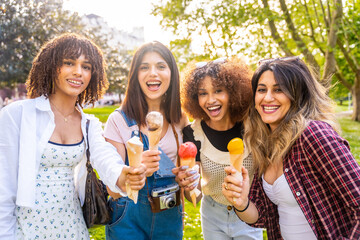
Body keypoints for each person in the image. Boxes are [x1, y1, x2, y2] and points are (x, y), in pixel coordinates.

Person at [0, 33, 146, 239]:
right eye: (69, 63)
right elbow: (3, 185)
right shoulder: (17, 115)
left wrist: (124, 174)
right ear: (51, 66)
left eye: (86, 66)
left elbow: (105, 157)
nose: (78, 72)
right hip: (26, 229)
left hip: (72, 227)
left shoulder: (89, 124)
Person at [222, 57, 360, 239]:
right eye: (261, 90)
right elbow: (261, 216)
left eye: (279, 90)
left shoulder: (314, 135)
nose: (267, 97)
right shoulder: (265, 144)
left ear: (297, 94)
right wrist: (241, 202)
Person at [103, 41, 188, 240]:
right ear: (136, 76)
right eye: (144, 67)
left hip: (169, 217)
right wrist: (136, 168)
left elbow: (184, 180)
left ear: (171, 73)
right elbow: (111, 191)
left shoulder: (180, 119)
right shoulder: (118, 121)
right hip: (127, 220)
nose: (153, 73)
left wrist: (187, 179)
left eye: (160, 66)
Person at [173, 57, 263, 240]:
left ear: (233, 91)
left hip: (249, 211)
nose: (210, 100)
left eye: (218, 91)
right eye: (202, 93)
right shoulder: (193, 133)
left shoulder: (254, 126)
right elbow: (194, 198)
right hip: (212, 214)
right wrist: (188, 185)